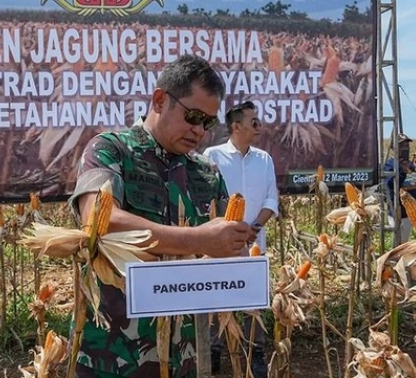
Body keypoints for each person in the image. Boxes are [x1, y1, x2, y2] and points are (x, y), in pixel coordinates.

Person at [67, 54, 253, 378]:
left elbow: (225, 244)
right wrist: (199, 239)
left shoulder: (207, 174)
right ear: (159, 100)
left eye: (207, 123)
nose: (198, 131)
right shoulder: (110, 151)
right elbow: (98, 219)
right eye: (192, 116)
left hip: (184, 356)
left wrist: (236, 248)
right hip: (113, 356)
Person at [203, 101, 278, 378]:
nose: (259, 126)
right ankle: (213, 351)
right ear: (236, 126)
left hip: (255, 242)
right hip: (220, 242)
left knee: (253, 299)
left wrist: (255, 225)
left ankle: (255, 352)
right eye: (254, 122)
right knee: (216, 295)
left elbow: (271, 198)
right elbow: (207, 199)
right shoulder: (212, 156)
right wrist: (227, 228)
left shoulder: (264, 159)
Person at [384, 133, 416, 244]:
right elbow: (389, 185)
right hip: (398, 214)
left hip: (411, 213)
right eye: (402, 146)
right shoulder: (390, 165)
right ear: (395, 148)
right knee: (398, 246)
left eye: (407, 145)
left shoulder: (411, 165)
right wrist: (402, 171)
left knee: (405, 244)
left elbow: (413, 186)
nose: (405, 148)